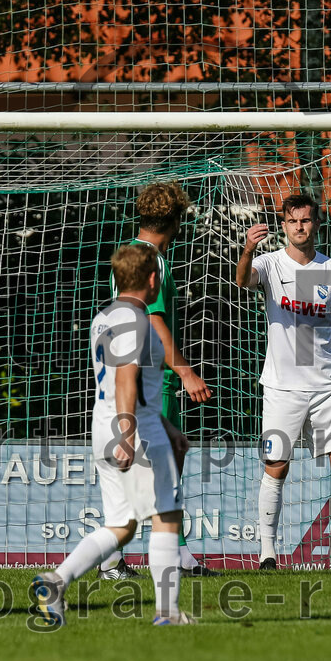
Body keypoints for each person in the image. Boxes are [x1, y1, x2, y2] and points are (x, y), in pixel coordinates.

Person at [32, 243, 193, 627]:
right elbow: (125, 377)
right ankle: (168, 612)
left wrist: (167, 426)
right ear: (153, 279)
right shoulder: (139, 320)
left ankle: (55, 582)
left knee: (122, 525)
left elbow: (130, 384)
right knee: (166, 517)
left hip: (105, 423)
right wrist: (129, 432)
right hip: (131, 429)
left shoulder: (104, 316)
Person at [235, 193, 331, 573]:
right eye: (293, 221)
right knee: (276, 465)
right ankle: (267, 556)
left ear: (315, 224)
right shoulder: (268, 263)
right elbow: (242, 279)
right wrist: (247, 248)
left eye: (306, 221)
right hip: (282, 386)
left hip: (328, 383)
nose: (299, 227)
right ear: (283, 225)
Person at [99, 181, 218, 579]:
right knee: (152, 470)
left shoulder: (130, 254)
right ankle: (114, 561)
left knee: (170, 459)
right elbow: (153, 320)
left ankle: (175, 556)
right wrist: (184, 370)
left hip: (137, 381)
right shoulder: (152, 262)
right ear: (176, 220)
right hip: (148, 382)